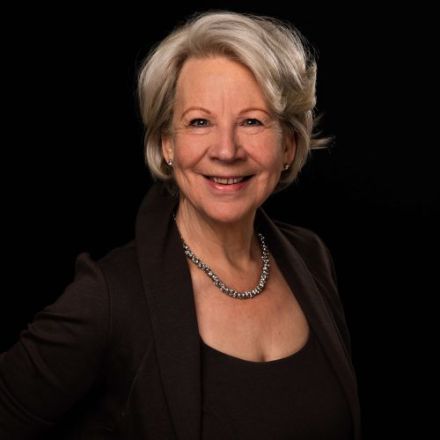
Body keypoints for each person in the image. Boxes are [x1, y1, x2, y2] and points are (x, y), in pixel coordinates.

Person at [0, 10, 361, 439]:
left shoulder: (311, 258)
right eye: (199, 122)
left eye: (251, 121)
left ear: (289, 144)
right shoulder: (110, 297)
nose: (226, 150)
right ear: (167, 144)